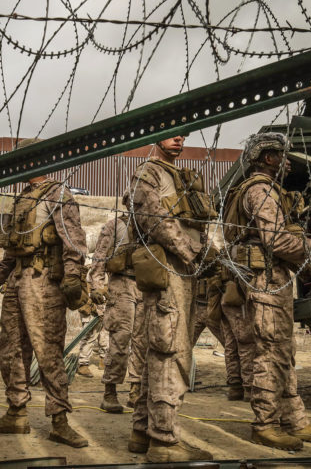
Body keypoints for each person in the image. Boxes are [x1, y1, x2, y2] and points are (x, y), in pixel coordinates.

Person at [223, 132, 311, 451]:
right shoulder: (261, 190)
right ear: (268, 158)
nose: (288, 164)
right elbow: (277, 242)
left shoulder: (261, 190)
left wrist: (310, 267)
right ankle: (265, 425)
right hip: (265, 283)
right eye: (283, 156)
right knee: (268, 351)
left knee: (283, 352)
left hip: (271, 279)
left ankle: (294, 421)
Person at [0, 141, 89, 448]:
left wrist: (73, 277)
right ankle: (16, 413)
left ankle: (59, 421)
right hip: (17, 280)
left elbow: (74, 240)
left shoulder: (58, 193)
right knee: (11, 348)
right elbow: (12, 247)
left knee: (48, 351)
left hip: (44, 282)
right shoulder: (22, 198)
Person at [126, 134, 216, 462]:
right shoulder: (148, 174)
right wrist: (190, 252)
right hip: (167, 268)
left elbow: (197, 225)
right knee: (168, 349)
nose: (179, 138)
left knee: (163, 348)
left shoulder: (182, 177)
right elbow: (152, 219)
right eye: (171, 132)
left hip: (184, 270)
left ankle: (142, 432)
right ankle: (163, 441)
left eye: (183, 134)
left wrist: (209, 256)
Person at [88, 213, 146, 412]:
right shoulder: (116, 225)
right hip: (121, 284)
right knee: (120, 339)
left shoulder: (155, 224)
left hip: (147, 286)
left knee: (142, 342)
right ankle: (110, 392)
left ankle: (136, 391)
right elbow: (100, 255)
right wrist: (96, 285)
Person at [191, 264, 251, 401]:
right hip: (221, 300)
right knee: (241, 343)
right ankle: (246, 387)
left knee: (231, 344)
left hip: (218, 300)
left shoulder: (224, 249)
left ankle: (237, 386)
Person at [76, 300, 108, 378]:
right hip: (90, 306)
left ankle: (103, 359)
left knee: (105, 334)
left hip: (105, 305)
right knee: (89, 336)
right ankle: (83, 364)